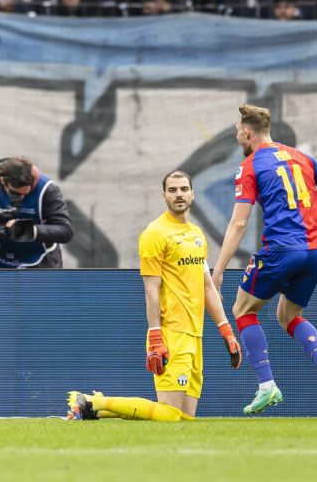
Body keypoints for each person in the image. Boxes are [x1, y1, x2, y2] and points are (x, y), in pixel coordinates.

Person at [211, 105, 317, 415]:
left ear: (247, 132)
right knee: (288, 315)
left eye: (238, 131)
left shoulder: (251, 165)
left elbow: (238, 223)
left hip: (281, 250)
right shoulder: (304, 157)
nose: (238, 136)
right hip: (316, 252)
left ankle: (267, 385)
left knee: (242, 308)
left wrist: (219, 268)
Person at [69, 171, 241, 422]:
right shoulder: (154, 233)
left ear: (192, 193)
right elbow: (150, 291)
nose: (179, 194)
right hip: (171, 333)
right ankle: (95, 401)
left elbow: (207, 287)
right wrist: (156, 336)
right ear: (164, 196)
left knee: (184, 418)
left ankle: (94, 410)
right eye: (172, 190)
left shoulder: (197, 235)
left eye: (183, 189)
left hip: (195, 334)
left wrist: (226, 330)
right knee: (170, 414)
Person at [0, 156, 73, 269]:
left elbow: (65, 231)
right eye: (15, 193)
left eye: (26, 193)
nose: (21, 197)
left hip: (38, 261)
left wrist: (27, 230)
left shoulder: (47, 190)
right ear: (2, 181)